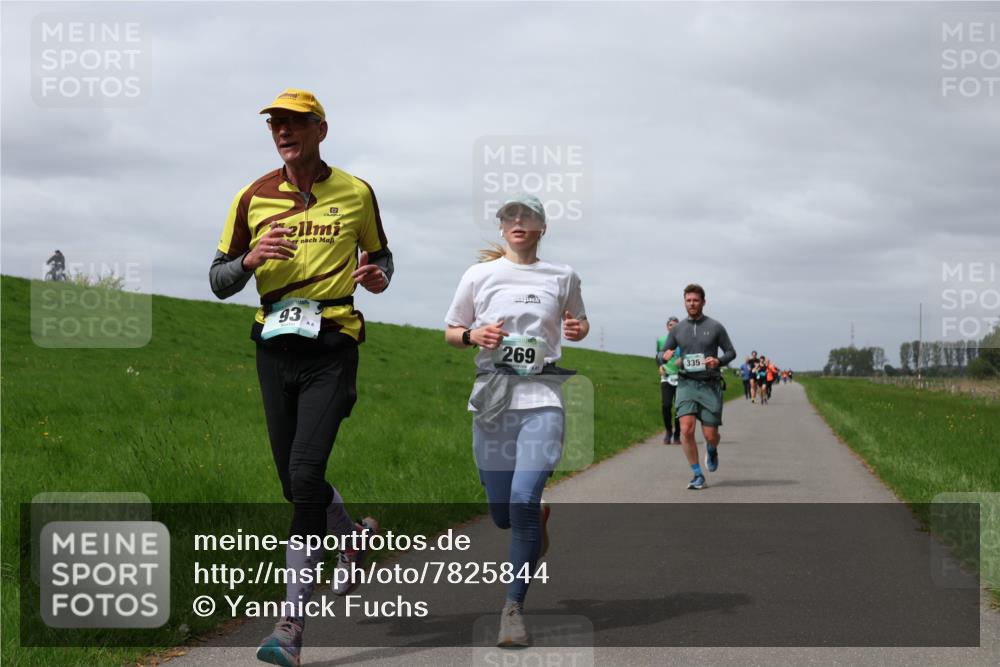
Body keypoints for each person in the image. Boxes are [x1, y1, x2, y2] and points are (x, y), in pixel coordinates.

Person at [208, 88, 394, 667]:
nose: (283, 132)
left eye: (294, 123)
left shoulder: (356, 193)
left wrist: (379, 276)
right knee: (295, 485)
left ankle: (290, 626)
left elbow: (383, 257)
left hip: (334, 344)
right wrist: (250, 259)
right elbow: (217, 279)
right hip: (274, 347)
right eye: (275, 125)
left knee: (307, 471)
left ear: (320, 129)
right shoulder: (251, 196)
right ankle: (352, 538)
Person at [445, 193, 588, 647]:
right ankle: (535, 522)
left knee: (523, 500)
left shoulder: (562, 275)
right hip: (491, 402)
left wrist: (577, 329)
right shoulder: (479, 275)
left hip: (542, 397)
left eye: (527, 216)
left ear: (542, 227)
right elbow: (452, 331)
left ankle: (512, 609)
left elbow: (579, 321)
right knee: (502, 513)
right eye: (510, 216)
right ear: (503, 227)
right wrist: (473, 334)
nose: (518, 221)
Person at [659, 284, 736, 490]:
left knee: (711, 435)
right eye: (688, 300)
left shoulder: (716, 326)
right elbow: (661, 354)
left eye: (695, 300)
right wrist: (663, 356)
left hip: (709, 384)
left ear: (703, 301)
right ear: (684, 302)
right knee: (686, 428)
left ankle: (711, 449)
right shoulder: (677, 329)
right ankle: (697, 474)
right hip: (686, 383)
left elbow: (730, 352)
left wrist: (717, 362)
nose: (692, 304)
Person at [656, 317, 682, 443]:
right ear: (667, 327)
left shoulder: (684, 340)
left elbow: (690, 354)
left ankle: (677, 434)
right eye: (671, 325)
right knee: (666, 405)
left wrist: (682, 359)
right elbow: (658, 356)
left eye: (676, 325)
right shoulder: (661, 340)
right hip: (666, 377)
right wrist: (660, 366)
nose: (673, 327)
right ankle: (668, 431)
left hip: (682, 377)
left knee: (679, 408)